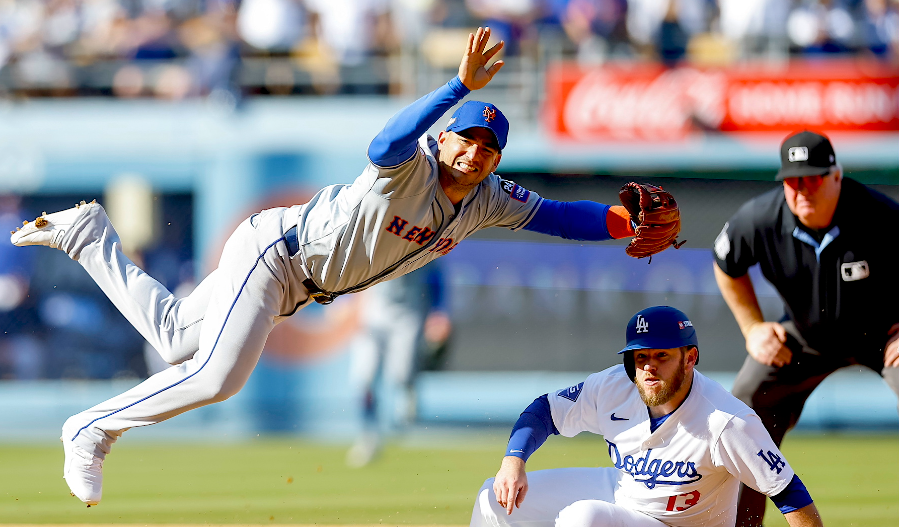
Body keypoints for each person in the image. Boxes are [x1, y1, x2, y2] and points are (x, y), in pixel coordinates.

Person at [9, 27, 676, 507]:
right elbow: (381, 141)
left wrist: (625, 225)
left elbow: (560, 217)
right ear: (443, 138)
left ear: (497, 159)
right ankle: (90, 427)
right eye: (466, 137)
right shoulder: (408, 166)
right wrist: (455, 88)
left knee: (175, 334)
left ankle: (87, 236)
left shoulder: (487, 199)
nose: (475, 153)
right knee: (217, 376)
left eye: (488, 146)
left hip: (301, 285)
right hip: (276, 253)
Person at [470, 306, 825, 527]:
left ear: (690, 358)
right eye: (640, 357)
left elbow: (790, 494)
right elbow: (544, 411)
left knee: (584, 519)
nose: (649, 367)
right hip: (625, 492)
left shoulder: (726, 421)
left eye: (662, 356)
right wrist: (513, 460)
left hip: (677, 524)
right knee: (493, 496)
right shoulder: (613, 386)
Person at [712, 130, 899, 527]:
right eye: (793, 181)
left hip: (882, 335)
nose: (802, 190)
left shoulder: (879, 216)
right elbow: (726, 265)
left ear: (836, 176)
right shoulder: (760, 219)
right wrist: (753, 327)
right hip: (804, 336)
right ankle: (741, 524)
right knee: (743, 403)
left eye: (813, 178)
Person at [345, 263, 451, 467]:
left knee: (402, 374)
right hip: (373, 315)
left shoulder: (418, 236)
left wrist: (439, 311)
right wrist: (347, 301)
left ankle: (408, 394)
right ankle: (368, 436)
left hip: (407, 314)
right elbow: (354, 269)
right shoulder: (374, 236)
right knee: (363, 379)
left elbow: (436, 275)